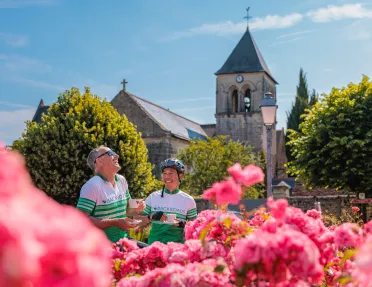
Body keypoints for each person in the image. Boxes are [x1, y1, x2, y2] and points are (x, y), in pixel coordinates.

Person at [76, 146, 146, 243]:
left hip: (123, 240)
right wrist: (116, 222)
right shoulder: (92, 186)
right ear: (100, 161)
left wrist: (138, 205)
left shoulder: (121, 180)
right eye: (111, 153)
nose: (116, 155)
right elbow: (81, 220)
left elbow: (128, 207)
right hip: (102, 246)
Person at [141, 158, 197, 244]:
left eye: (171, 173)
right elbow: (138, 222)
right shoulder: (153, 197)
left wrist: (183, 224)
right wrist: (151, 217)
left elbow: (196, 228)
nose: (167, 176)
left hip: (176, 250)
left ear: (180, 175)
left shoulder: (188, 200)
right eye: (164, 173)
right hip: (153, 249)